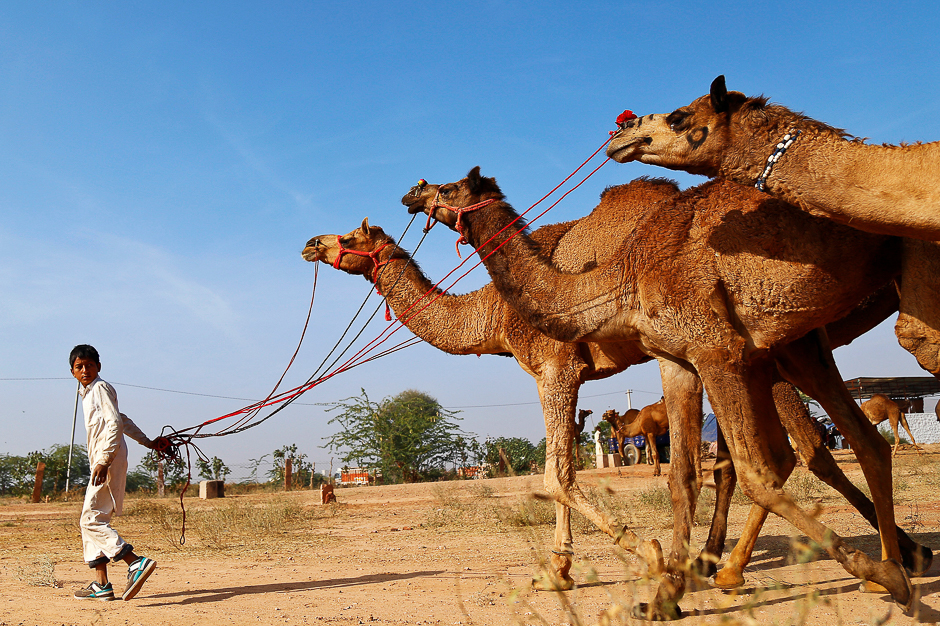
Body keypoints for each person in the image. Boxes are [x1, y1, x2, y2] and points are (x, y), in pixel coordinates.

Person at [69, 344, 157, 601]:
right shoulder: (88, 393)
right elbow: (122, 419)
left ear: (99, 366)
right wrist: (147, 441)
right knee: (92, 520)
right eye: (79, 366)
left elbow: (116, 424)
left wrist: (104, 460)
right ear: (72, 371)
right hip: (104, 458)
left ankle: (135, 562)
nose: (85, 370)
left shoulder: (100, 387)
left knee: (90, 520)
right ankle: (102, 584)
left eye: (89, 365)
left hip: (107, 458)